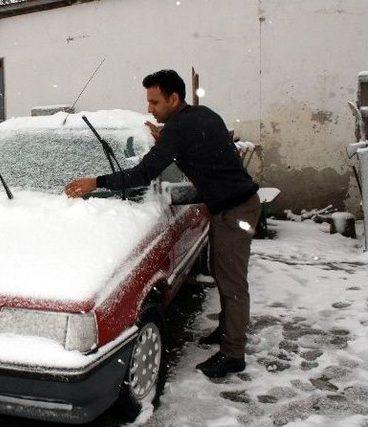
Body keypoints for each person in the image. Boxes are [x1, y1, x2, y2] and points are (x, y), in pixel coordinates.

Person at [65, 69, 261, 378]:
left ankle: (233, 353)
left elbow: (143, 174)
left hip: (234, 210)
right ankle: (227, 330)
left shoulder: (179, 130)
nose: (150, 110)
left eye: (155, 102)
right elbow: (203, 148)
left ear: (174, 98)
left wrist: (96, 182)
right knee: (224, 274)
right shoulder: (202, 115)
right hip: (236, 203)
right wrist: (167, 140)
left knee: (232, 281)